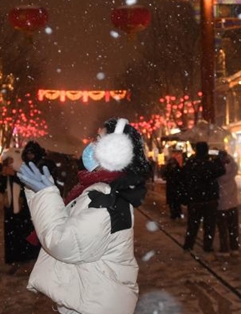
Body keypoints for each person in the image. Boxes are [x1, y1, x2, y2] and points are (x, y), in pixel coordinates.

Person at [17, 117, 149, 314]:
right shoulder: (101, 189)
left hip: (95, 304)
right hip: (94, 299)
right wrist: (44, 193)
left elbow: (65, 244)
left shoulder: (105, 196)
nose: (92, 144)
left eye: (99, 139)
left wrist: (46, 195)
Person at [0, 145, 42, 265]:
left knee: (23, 234)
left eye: (11, 161)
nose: (9, 164)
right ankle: (13, 258)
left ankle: (24, 257)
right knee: (11, 237)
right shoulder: (6, 174)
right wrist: (4, 176)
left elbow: (26, 187)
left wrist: (14, 175)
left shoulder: (21, 173)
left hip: (22, 210)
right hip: (10, 210)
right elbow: (1, 188)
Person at [181, 141, 225, 253]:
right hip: (209, 198)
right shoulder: (209, 163)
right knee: (209, 225)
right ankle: (207, 245)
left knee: (193, 224)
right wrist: (218, 159)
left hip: (195, 199)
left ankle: (189, 244)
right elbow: (221, 170)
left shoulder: (191, 163)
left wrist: (185, 196)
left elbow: (184, 179)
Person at [216, 150, 240, 256]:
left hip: (221, 205)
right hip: (233, 204)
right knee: (233, 228)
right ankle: (235, 247)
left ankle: (224, 249)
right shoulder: (232, 172)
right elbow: (234, 164)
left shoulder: (218, 175)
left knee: (223, 229)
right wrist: (228, 158)